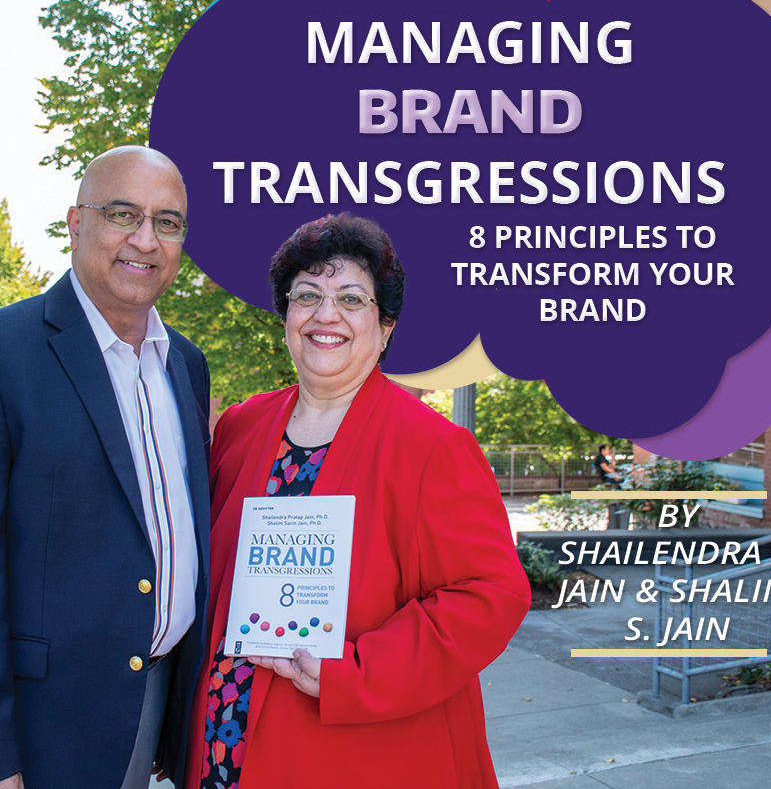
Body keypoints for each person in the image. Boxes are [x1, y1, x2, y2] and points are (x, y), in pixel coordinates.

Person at [188, 213, 529, 789]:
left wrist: (357, 671)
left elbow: (490, 595)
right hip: (226, 746)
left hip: (356, 754)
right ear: (286, 314)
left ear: (386, 324)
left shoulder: (432, 446)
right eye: (307, 296)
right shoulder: (241, 427)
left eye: (351, 298)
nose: (326, 315)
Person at [0, 146, 212, 789]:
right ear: (77, 224)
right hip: (39, 734)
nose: (144, 239)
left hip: (153, 708)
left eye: (168, 222)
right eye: (123, 213)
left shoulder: (186, 365)